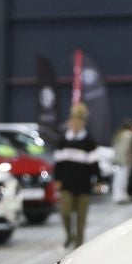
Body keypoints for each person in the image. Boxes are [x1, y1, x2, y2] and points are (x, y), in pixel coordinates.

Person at [52, 102, 98, 250]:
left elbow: (94, 165)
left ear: (83, 123)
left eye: (79, 121)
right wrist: (57, 179)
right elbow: (58, 163)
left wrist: (99, 181)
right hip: (66, 185)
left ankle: (79, 244)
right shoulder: (63, 141)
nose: (75, 124)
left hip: (84, 186)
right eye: (73, 121)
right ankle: (69, 235)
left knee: (81, 219)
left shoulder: (89, 142)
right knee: (65, 212)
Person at [109, 119, 132, 202]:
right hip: (125, 160)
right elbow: (129, 149)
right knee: (123, 179)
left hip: (117, 159)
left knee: (117, 178)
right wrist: (130, 159)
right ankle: (122, 196)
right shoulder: (129, 135)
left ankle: (116, 196)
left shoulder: (118, 135)